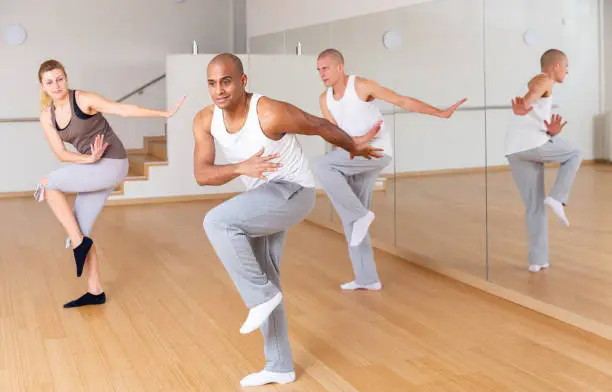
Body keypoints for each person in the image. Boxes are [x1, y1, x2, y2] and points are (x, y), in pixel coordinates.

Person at [194, 53, 381, 388]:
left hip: (294, 191)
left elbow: (319, 125)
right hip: (261, 198)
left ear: (242, 81)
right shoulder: (205, 120)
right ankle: (279, 365)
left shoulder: (268, 112)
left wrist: (354, 146)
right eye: (212, 83)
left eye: (226, 81)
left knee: (217, 222)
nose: (219, 90)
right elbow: (202, 174)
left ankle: (261, 297)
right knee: (265, 276)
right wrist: (240, 168)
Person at [313, 48, 467, 291]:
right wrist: (357, 142)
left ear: (340, 67)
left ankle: (359, 216)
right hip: (355, 153)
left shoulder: (361, 86)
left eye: (326, 68)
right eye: (319, 70)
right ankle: (367, 278)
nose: (321, 73)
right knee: (353, 218)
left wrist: (440, 113)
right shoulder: (325, 99)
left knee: (320, 166)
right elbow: (336, 136)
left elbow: (401, 100)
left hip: (377, 152)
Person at [35, 59, 185, 308]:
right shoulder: (46, 116)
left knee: (47, 184)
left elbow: (123, 109)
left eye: (60, 78)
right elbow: (61, 154)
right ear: (43, 86)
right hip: (93, 167)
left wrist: (164, 113)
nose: (56, 85)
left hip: (113, 162)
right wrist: (88, 158)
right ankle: (95, 291)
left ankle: (80, 244)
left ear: (66, 78)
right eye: (50, 82)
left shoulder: (82, 99)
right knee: (78, 232)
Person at [507, 49, 582, 273]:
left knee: (534, 206)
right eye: (566, 66)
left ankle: (537, 260)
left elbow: (532, 111)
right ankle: (558, 198)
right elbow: (533, 94)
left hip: (514, 150)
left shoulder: (536, 83)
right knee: (576, 152)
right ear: (555, 66)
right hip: (531, 146)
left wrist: (551, 131)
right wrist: (526, 104)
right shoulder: (544, 79)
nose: (567, 71)